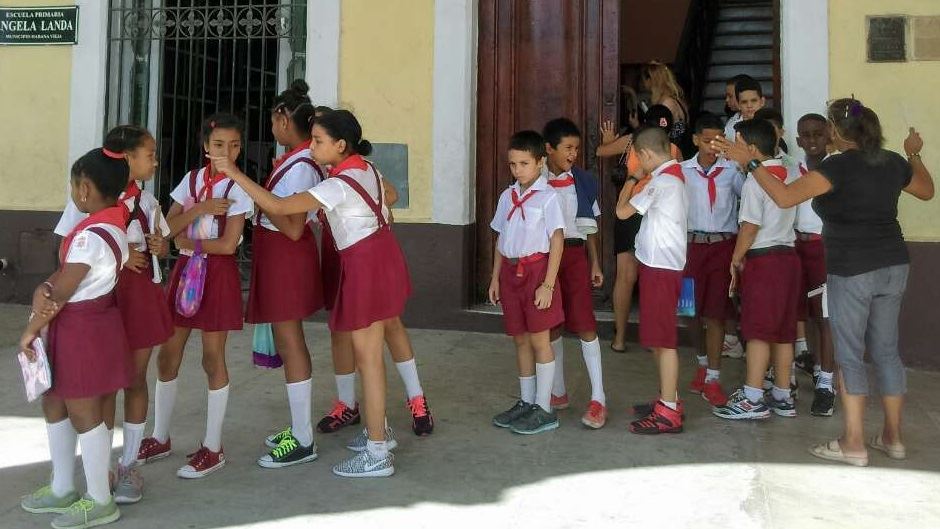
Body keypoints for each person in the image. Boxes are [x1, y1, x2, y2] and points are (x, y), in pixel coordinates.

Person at [714, 98, 934, 465]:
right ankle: (893, 437)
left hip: (852, 267)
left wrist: (751, 162)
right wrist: (914, 154)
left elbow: (784, 197)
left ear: (834, 130)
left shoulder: (836, 167)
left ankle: (853, 442)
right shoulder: (893, 160)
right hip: (894, 263)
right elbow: (926, 191)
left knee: (849, 355)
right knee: (885, 350)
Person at [212, 109, 410, 477]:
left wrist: (235, 174)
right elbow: (392, 195)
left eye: (318, 141)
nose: (312, 146)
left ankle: (378, 451)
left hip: (365, 267)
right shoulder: (364, 169)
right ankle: (379, 433)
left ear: (340, 145)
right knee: (369, 355)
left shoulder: (336, 185)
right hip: (382, 257)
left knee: (367, 359)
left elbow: (280, 207)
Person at [53, 126, 172, 504]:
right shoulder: (88, 199)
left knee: (134, 379)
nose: (153, 160)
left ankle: (129, 463)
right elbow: (70, 251)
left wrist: (159, 246)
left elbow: (165, 247)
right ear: (124, 159)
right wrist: (121, 256)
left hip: (140, 299)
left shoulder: (149, 203)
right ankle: (100, 467)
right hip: (104, 301)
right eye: (147, 154)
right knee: (100, 385)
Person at [137, 113, 255, 479]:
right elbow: (165, 227)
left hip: (216, 275)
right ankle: (160, 436)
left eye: (234, 145)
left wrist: (184, 239)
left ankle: (213, 447)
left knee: (211, 357)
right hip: (186, 273)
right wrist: (201, 209)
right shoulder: (191, 181)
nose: (227, 151)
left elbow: (227, 244)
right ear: (206, 146)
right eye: (219, 144)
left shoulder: (239, 189)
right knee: (168, 354)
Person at [19, 148, 131, 528]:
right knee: (56, 401)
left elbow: (60, 290)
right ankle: (63, 484)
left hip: (82, 327)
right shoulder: (111, 225)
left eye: (72, 185)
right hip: (75, 326)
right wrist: (45, 292)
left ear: (84, 188)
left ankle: (99, 497)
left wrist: (32, 328)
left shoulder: (91, 236)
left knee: (84, 411)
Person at [246, 81, 325, 469]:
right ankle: (298, 426)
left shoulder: (301, 167)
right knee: (288, 339)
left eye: (273, 120)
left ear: (282, 119)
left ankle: (304, 438)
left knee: (291, 342)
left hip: (287, 256)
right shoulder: (294, 161)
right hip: (279, 256)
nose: (271, 128)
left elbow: (293, 227)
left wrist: (259, 199)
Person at [712, 119, 800, 421]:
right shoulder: (789, 172)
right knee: (784, 332)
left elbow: (750, 227)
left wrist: (736, 259)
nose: (729, 150)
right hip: (789, 257)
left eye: (734, 143)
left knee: (759, 331)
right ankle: (782, 394)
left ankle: (752, 397)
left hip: (765, 261)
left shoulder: (754, 181)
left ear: (749, 149)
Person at [489, 130, 566, 435]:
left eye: (524, 163)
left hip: (537, 273)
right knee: (519, 338)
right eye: (513, 164)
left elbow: (557, 241)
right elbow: (500, 238)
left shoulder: (549, 198)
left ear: (540, 163)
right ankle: (525, 401)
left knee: (539, 340)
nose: (518, 170)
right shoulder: (506, 196)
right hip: (510, 273)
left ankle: (544, 407)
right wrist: (495, 277)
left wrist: (548, 285)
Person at [615, 125, 689, 434]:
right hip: (661, 265)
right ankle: (667, 398)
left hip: (661, 268)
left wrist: (632, 179)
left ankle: (668, 411)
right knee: (659, 338)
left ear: (643, 154)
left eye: (634, 158)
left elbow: (621, 212)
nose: (635, 164)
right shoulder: (670, 178)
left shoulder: (660, 184)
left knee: (663, 341)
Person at [597, 105, 682, 354]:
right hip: (658, 216)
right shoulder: (672, 149)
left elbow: (600, 151)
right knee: (651, 275)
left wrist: (609, 141)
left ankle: (620, 338)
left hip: (632, 209)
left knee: (627, 277)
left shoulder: (631, 140)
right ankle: (653, 337)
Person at [541, 118, 607, 429]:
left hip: (575, 255)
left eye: (577, 149)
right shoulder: (534, 181)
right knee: (551, 325)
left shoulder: (583, 181)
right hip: (544, 260)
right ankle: (557, 392)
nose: (573, 154)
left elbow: (590, 228)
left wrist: (594, 262)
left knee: (584, 324)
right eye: (567, 148)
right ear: (548, 149)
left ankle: (598, 398)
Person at [680, 113, 745, 407]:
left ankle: (714, 378)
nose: (713, 147)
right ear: (695, 140)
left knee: (716, 312)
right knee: (689, 310)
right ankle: (703, 361)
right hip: (690, 248)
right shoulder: (681, 172)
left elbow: (750, 198)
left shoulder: (732, 171)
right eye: (707, 141)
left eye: (719, 141)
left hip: (721, 246)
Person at [792, 113, 837, 416]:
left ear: (829, 136)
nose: (811, 141)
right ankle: (790, 376)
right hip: (795, 246)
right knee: (798, 313)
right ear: (798, 140)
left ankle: (826, 383)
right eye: (806, 135)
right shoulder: (790, 171)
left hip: (826, 248)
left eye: (817, 134)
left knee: (825, 317)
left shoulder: (838, 170)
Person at [641, 61, 691, 155]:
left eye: (645, 80)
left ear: (651, 80)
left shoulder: (667, 103)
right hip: (679, 151)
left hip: (672, 154)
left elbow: (659, 133)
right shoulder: (677, 100)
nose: (644, 84)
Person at [724, 76, 765, 141]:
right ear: (738, 104)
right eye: (744, 102)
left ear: (762, 101)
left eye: (754, 100)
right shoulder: (731, 125)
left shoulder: (771, 123)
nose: (749, 105)